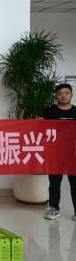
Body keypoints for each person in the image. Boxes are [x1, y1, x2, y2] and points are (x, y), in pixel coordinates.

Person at [44, 83, 76, 220]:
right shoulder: (49, 111)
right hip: (55, 153)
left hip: (73, 153)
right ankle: (54, 209)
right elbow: (41, 130)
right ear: (56, 96)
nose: (63, 96)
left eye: (66, 93)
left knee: (74, 182)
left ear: (71, 95)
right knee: (54, 182)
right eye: (60, 93)